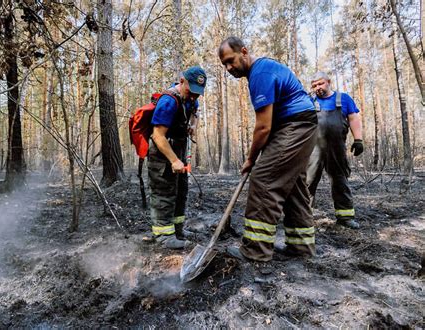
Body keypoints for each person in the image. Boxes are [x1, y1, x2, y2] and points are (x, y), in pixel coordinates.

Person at [218, 36, 318, 262]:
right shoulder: (262, 70)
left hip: (296, 125)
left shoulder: (260, 74)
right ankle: (301, 247)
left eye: (231, 60)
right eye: (224, 65)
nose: (229, 68)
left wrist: (251, 159)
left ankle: (255, 250)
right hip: (301, 125)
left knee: (264, 180)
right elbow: (270, 124)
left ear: (244, 51)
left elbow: (263, 127)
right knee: (293, 185)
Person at [147, 66, 207, 249]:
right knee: (164, 192)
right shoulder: (169, 101)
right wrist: (174, 160)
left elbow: (195, 113)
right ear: (182, 82)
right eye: (191, 92)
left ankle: (177, 230)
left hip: (179, 151)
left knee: (181, 191)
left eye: (198, 94)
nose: (194, 97)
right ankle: (163, 235)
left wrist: (193, 126)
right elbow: (157, 136)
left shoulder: (191, 99)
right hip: (162, 153)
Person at [307, 72, 363, 229]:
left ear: (328, 82)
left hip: (336, 148)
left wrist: (358, 139)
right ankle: (303, 216)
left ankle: (345, 217)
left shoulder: (343, 99)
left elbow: (353, 118)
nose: (318, 88)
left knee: (339, 179)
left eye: (320, 84)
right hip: (314, 149)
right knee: (308, 181)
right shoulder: (309, 101)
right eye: (314, 86)